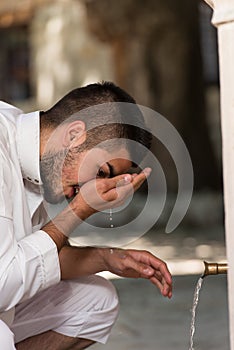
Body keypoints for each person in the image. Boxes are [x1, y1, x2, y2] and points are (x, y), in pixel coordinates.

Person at [0, 81, 172, 350]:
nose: (93, 188)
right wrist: (78, 210)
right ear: (74, 135)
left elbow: (33, 257)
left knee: (96, 301)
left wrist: (108, 258)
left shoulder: (34, 158)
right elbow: (2, 286)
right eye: (102, 172)